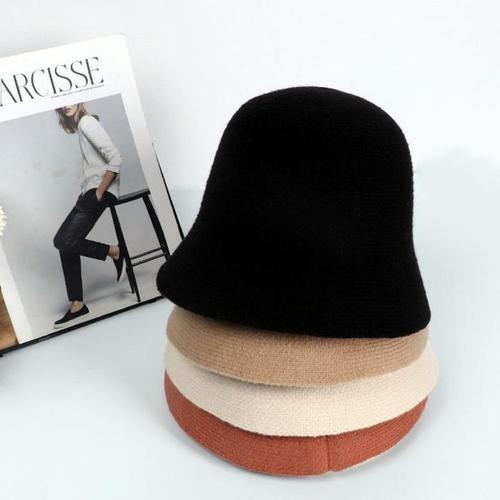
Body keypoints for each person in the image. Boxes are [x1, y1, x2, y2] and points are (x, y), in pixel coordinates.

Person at [53, 103, 125, 328]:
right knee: (65, 243)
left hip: (99, 191)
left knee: (62, 240)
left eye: (70, 100)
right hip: (90, 191)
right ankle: (77, 304)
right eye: (61, 103)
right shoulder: (82, 125)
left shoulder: (87, 122)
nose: (66, 105)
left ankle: (114, 251)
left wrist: (99, 191)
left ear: (79, 100)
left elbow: (116, 158)